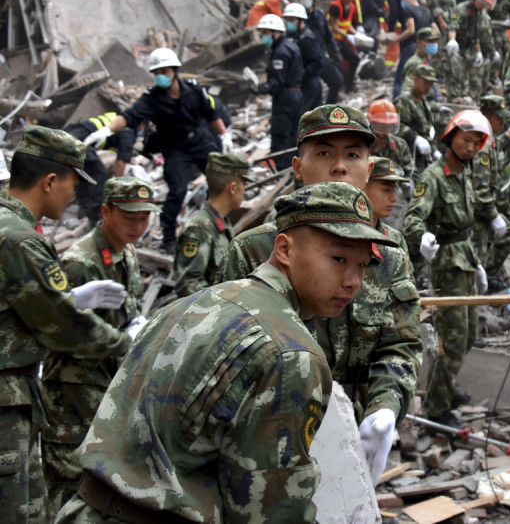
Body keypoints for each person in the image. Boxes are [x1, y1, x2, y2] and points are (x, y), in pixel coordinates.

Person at [55, 182, 395, 523]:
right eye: (338, 259)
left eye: (363, 265)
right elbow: (269, 510)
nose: (353, 281)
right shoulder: (291, 354)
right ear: (284, 250)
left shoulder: (191, 305)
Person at [216, 106, 422, 482]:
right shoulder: (253, 249)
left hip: (351, 432)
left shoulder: (390, 251)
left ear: (369, 169)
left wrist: (385, 406)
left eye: (352, 155)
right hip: (265, 441)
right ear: (298, 167)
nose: (339, 167)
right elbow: (225, 359)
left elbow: (400, 344)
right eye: (324, 153)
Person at [0, 126, 133, 522]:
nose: (73, 194)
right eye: (73, 184)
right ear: (49, 181)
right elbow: (65, 327)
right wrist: (128, 343)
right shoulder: (19, 239)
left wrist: (70, 298)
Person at [40, 176, 157, 509]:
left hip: (107, 386)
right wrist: (123, 340)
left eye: (144, 218)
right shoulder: (81, 262)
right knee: (68, 481)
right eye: (129, 217)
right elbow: (64, 333)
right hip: (73, 393)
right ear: (106, 212)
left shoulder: (126, 252)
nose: (137, 226)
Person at [83, 48, 230, 253]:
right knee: (177, 190)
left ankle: (221, 225)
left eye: (165, 71)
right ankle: (168, 237)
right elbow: (129, 116)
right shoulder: (152, 98)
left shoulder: (193, 90)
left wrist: (224, 135)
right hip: (175, 147)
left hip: (200, 141)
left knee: (220, 181)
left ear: (175, 71)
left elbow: (211, 113)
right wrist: (106, 130)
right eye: (157, 73)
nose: (161, 76)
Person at [403, 109, 492, 427]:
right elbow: (413, 217)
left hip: (465, 257)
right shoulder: (434, 176)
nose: (471, 148)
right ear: (450, 137)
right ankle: (437, 408)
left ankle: (445, 385)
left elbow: (467, 224)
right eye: (466, 140)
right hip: (447, 263)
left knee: (468, 334)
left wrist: (477, 264)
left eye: (476, 143)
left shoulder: (464, 173)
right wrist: (423, 237)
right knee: (452, 336)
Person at [172, 153, 250, 299]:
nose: (244, 190)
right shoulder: (200, 227)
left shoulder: (221, 223)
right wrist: (225, 302)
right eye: (244, 185)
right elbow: (188, 284)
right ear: (233, 188)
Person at [473, 95, 510, 291]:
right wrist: (493, 215)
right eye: (499, 118)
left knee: (508, 234)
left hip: (483, 209)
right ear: (487, 116)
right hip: (477, 212)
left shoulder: (488, 139)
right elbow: (479, 190)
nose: (503, 122)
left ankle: (486, 277)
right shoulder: (482, 146)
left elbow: (499, 143)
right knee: (476, 254)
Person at [64, 112, 136, 226]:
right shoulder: (128, 131)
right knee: (99, 176)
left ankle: (84, 211)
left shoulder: (115, 117)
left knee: (85, 175)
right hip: (79, 141)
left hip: (71, 135)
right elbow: (121, 163)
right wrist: (117, 187)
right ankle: (98, 219)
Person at [254, 13, 303, 170]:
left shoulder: (280, 52)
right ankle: (293, 168)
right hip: (295, 95)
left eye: (265, 32)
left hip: (284, 98)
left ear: (276, 32)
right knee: (293, 135)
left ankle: (282, 169)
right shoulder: (291, 46)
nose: (263, 36)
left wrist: (261, 88)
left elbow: (276, 82)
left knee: (281, 135)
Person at [447, 0, 498, 99]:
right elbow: (453, 26)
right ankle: (452, 102)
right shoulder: (462, 9)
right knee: (453, 78)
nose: (484, 6)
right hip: (453, 48)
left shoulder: (479, 13)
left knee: (463, 77)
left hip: (465, 47)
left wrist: (478, 52)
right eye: (483, 2)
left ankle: (465, 99)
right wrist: (452, 41)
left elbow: (475, 35)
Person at [298, 0, 344, 103]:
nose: (304, 0)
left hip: (319, 56)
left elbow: (329, 38)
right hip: (304, 61)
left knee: (337, 81)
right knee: (312, 89)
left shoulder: (319, 16)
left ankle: (328, 110)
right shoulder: (296, 17)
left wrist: (336, 56)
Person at [396, 64, 448, 173]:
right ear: (415, 79)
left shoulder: (423, 100)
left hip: (424, 152)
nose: (428, 86)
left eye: (431, 83)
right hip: (410, 153)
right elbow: (398, 125)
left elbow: (425, 131)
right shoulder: (405, 100)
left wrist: (434, 150)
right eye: (425, 82)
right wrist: (415, 137)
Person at [391, 0, 433, 99]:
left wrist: (396, 39)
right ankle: (432, 103)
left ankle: (398, 104)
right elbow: (436, 31)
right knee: (427, 77)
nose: (402, 2)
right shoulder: (426, 11)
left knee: (400, 78)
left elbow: (411, 30)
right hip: (425, 49)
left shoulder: (408, 11)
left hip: (410, 48)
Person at [284, 2, 324, 115]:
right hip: (300, 84)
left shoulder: (307, 39)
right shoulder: (292, 35)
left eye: (292, 20)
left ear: (300, 20)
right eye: (288, 20)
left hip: (310, 84)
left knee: (302, 116)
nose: (289, 23)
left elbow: (318, 62)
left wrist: (302, 73)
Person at [368, 99, 415, 180]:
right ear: (372, 123)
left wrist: (408, 182)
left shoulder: (400, 145)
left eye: (389, 124)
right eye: (382, 124)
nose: (386, 128)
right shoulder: (364, 146)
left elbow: (411, 170)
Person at [328, 0, 362, 89]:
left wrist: (357, 34)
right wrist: (348, 36)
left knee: (355, 59)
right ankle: (339, 85)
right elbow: (334, 26)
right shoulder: (336, 7)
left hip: (341, 39)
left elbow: (347, 24)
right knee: (337, 63)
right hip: (332, 40)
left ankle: (348, 85)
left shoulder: (351, 6)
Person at [401, 27, 447, 101]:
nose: (433, 44)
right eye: (430, 41)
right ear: (419, 42)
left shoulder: (426, 60)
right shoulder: (414, 63)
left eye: (435, 41)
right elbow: (408, 91)